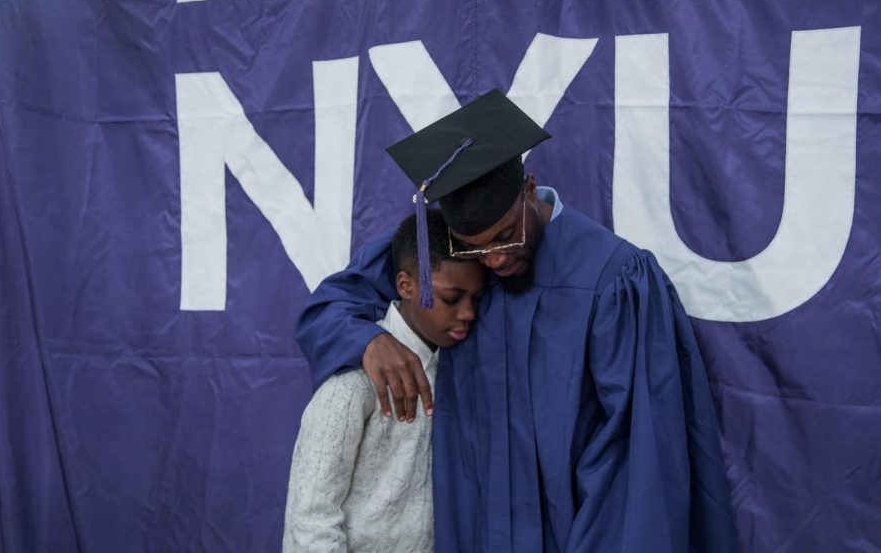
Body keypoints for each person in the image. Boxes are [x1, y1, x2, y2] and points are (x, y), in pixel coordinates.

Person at [296, 90, 738, 551]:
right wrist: (366, 340)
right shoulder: (443, 253)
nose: (494, 259)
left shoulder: (612, 277)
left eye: (506, 235)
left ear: (529, 190)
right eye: (475, 245)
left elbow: (636, 456)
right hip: (467, 529)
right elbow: (331, 304)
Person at [283, 210, 485, 553]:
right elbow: (311, 518)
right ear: (405, 285)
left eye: (477, 299)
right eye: (451, 298)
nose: (468, 313)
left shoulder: (462, 368)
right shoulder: (353, 381)